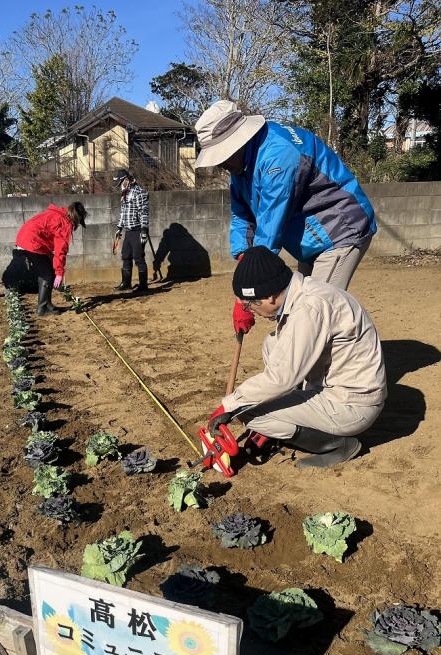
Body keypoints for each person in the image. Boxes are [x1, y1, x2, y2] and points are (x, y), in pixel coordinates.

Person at [194, 100, 377, 338]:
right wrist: (243, 261)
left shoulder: (277, 155)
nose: (219, 164)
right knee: (296, 309)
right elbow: (242, 216)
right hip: (309, 240)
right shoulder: (240, 169)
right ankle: (305, 369)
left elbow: (270, 227)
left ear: (237, 142)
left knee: (315, 311)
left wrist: (244, 298)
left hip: (340, 230)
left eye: (221, 156)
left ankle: (330, 369)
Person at [207, 246, 387, 468]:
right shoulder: (300, 293)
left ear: (271, 295)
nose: (250, 309)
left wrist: (230, 406)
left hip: (351, 405)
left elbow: (281, 378)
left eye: (251, 303)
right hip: (336, 388)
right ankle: (288, 422)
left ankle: (337, 445)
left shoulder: (310, 307)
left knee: (250, 414)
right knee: (272, 343)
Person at [7, 201, 87, 315]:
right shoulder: (64, 223)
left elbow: (46, 238)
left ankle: (47, 304)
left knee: (48, 270)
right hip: (32, 242)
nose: (77, 225)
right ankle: (42, 308)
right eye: (79, 222)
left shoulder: (57, 214)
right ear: (77, 218)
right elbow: (60, 250)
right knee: (47, 274)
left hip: (25, 237)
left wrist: (54, 264)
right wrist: (59, 273)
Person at [113, 169, 150, 292]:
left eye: (120, 182)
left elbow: (143, 211)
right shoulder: (125, 193)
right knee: (126, 255)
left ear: (126, 179)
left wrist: (144, 229)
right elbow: (123, 212)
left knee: (138, 257)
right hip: (128, 230)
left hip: (138, 229)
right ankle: (126, 283)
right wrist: (119, 228)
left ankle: (143, 286)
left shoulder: (139, 192)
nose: (120, 186)